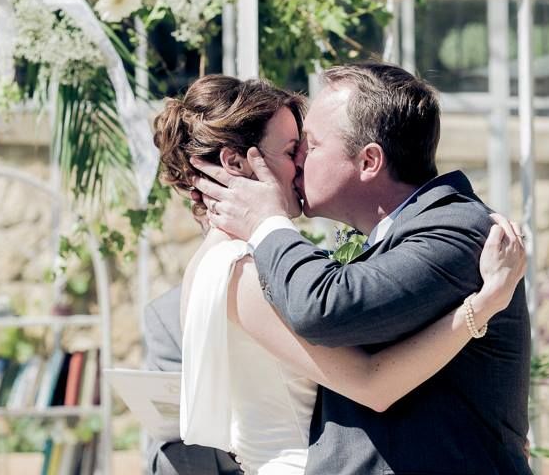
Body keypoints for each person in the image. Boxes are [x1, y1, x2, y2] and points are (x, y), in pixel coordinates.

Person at [154, 73, 528, 475]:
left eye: (307, 147)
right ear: (235, 163)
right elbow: (370, 382)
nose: (299, 163)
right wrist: (482, 306)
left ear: (369, 160)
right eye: (292, 149)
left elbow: (334, 308)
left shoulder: (455, 228)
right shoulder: (238, 270)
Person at [142, 286, 244, 475]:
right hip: (214, 453)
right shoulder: (165, 313)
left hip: (289, 438)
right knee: (170, 460)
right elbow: (167, 430)